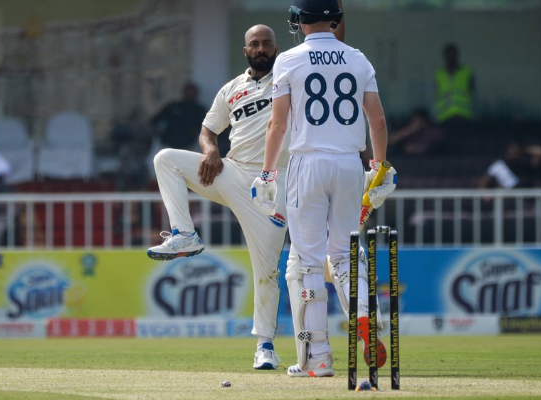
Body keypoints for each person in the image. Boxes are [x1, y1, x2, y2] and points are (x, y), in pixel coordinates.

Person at [147, 2, 346, 371]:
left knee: (266, 270)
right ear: (245, 50)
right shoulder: (231, 89)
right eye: (254, 44)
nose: (261, 49)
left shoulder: (290, 70)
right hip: (232, 172)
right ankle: (184, 234)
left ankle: (265, 345)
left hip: (276, 183)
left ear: (275, 47)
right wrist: (210, 152)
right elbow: (209, 130)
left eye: (267, 43)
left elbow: (334, 47)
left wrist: (336, 12)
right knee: (166, 159)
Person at [251, 0, 396, 377]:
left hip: (307, 163)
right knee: (346, 255)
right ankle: (363, 314)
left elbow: (278, 126)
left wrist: (267, 174)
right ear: (335, 19)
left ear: (299, 20)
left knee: (308, 261)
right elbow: (377, 120)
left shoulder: (289, 60)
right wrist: (378, 167)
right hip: (350, 163)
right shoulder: (358, 58)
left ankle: (317, 357)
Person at [151, 82, 207, 151]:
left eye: (193, 93)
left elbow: (205, 127)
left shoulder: (199, 110)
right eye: (188, 92)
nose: (190, 94)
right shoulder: (173, 106)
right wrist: (158, 132)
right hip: (168, 143)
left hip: (189, 145)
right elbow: (155, 120)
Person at [435, 43, 475, 123]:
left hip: (463, 115)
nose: (450, 57)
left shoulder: (466, 72)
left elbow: (472, 92)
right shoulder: (439, 74)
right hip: (445, 116)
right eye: (448, 54)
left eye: (452, 54)